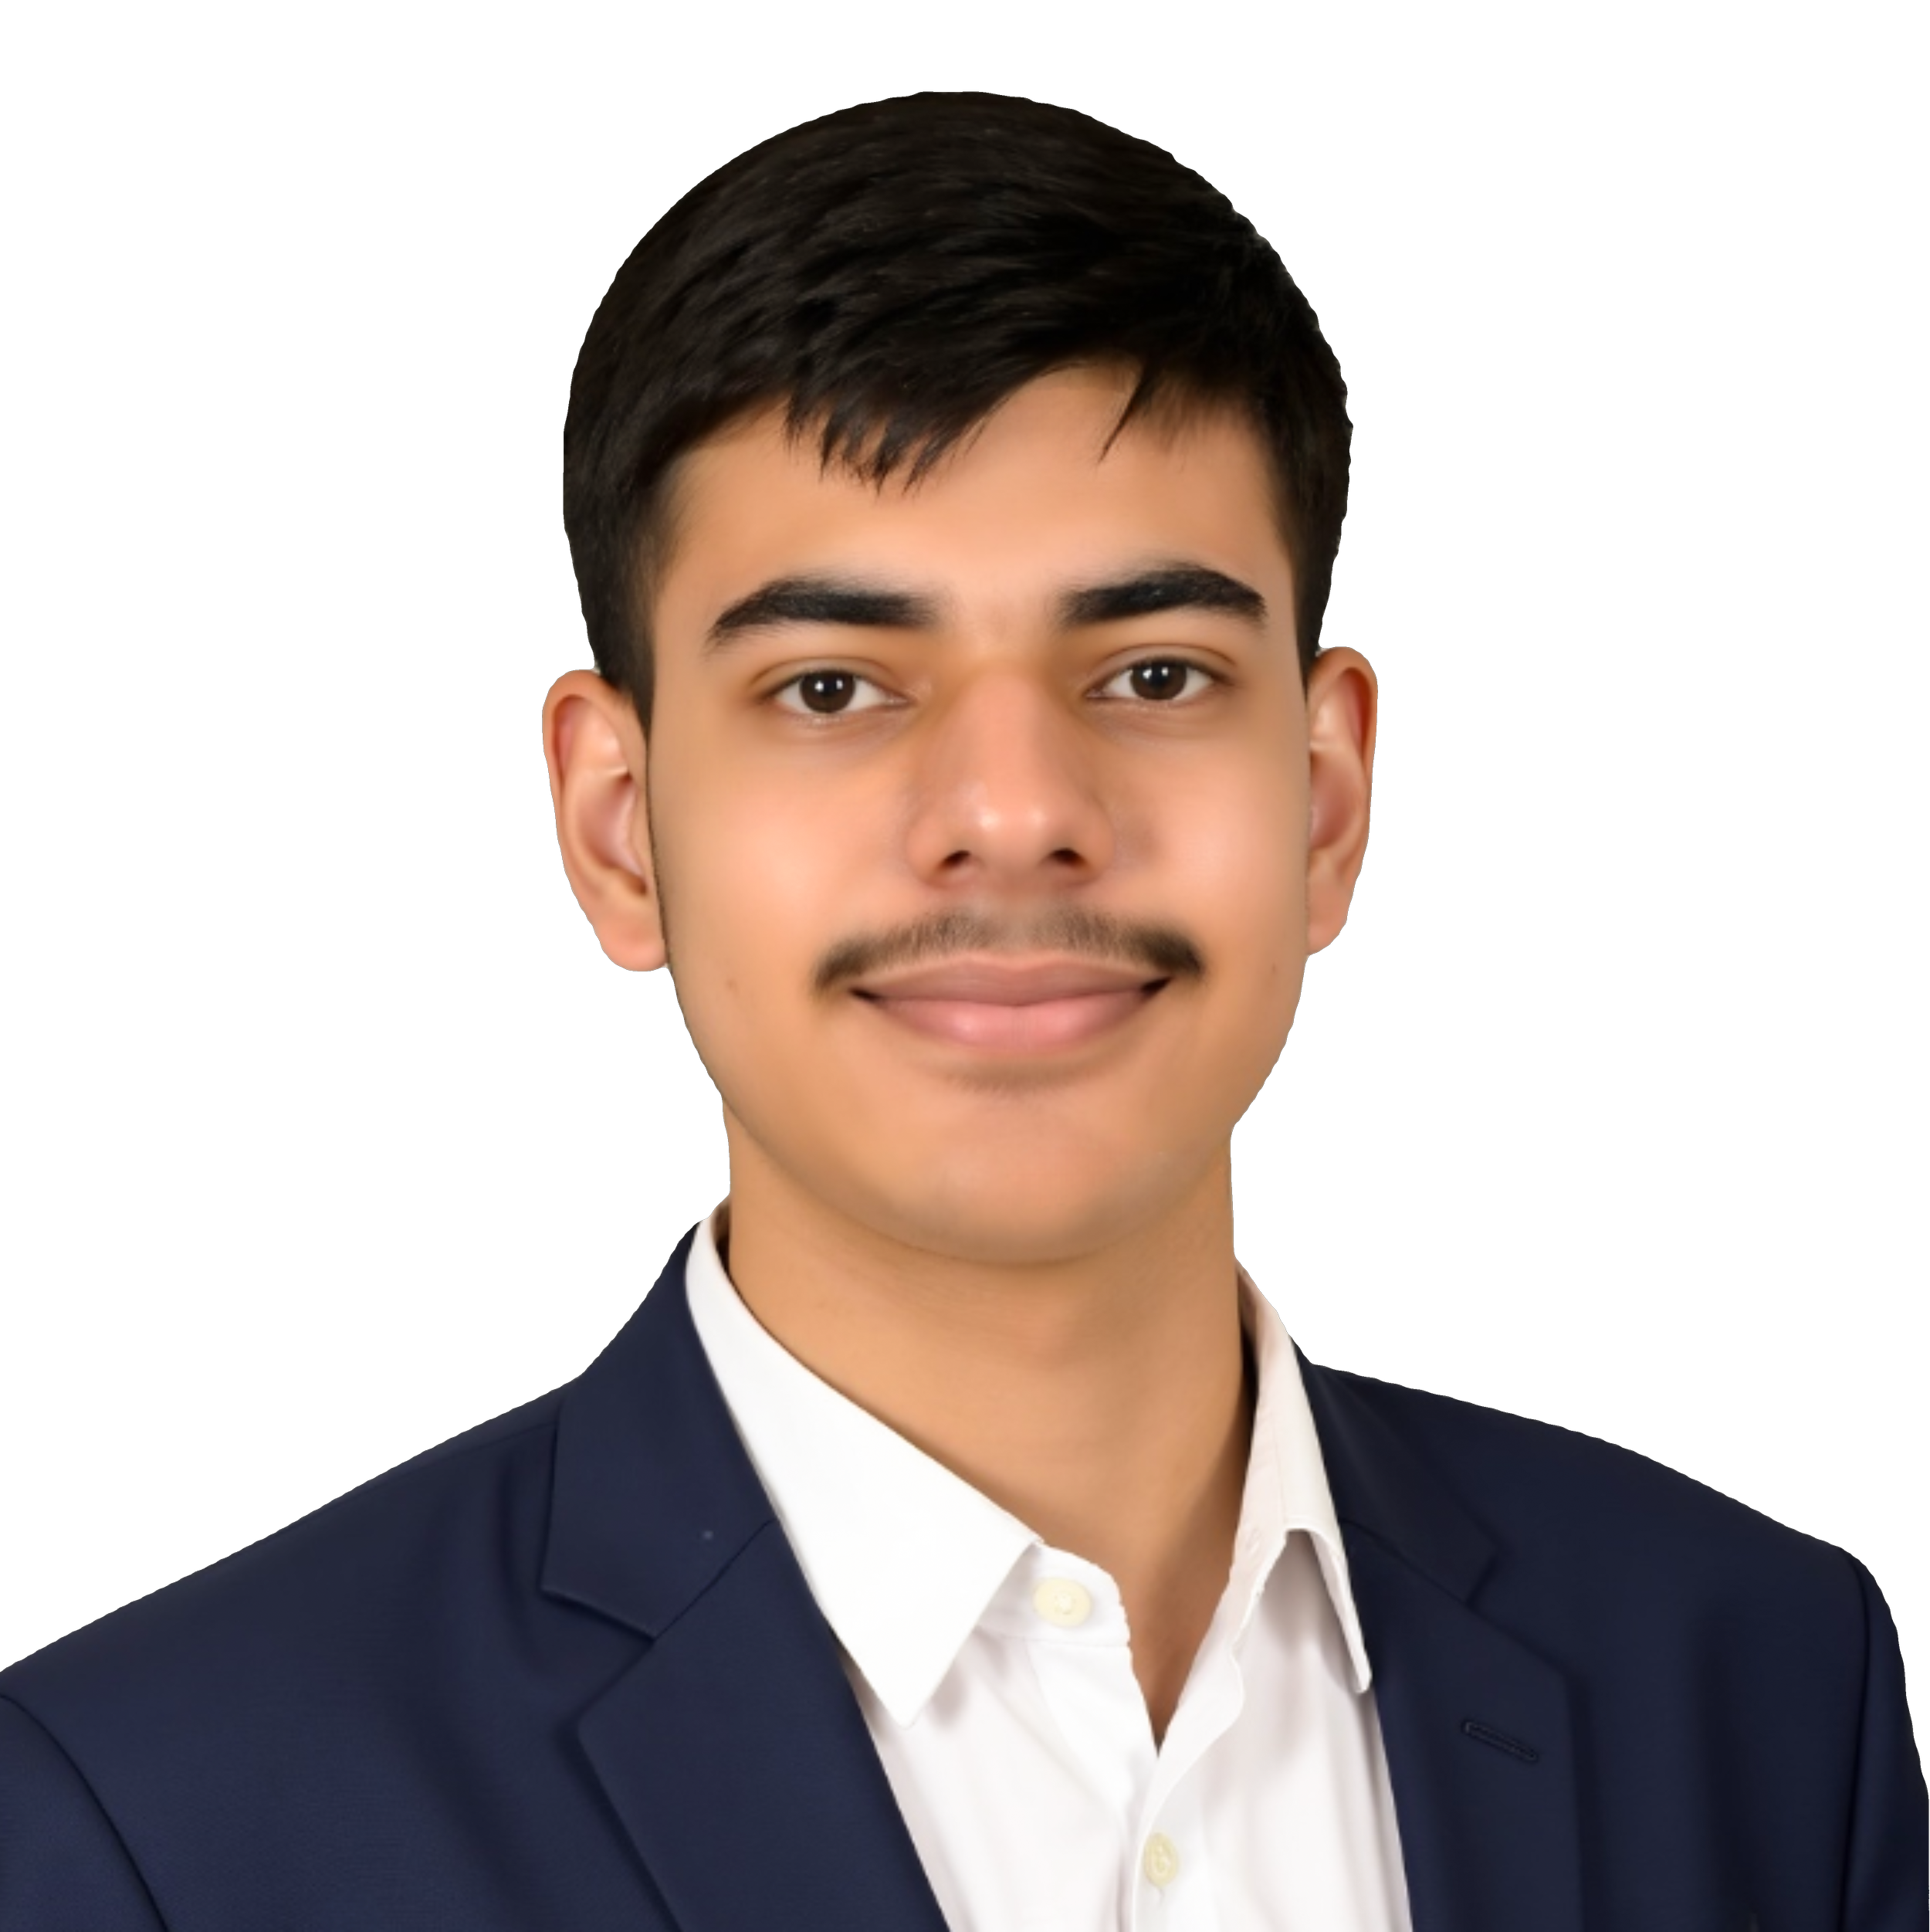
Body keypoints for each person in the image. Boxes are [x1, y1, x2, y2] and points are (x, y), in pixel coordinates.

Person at [2, 91, 1921, 1932]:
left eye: (1153, 672)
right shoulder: (162, 1809)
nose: (1015, 813)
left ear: (1325, 804)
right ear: (618, 831)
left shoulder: (1754, 1677)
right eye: (834, 689)